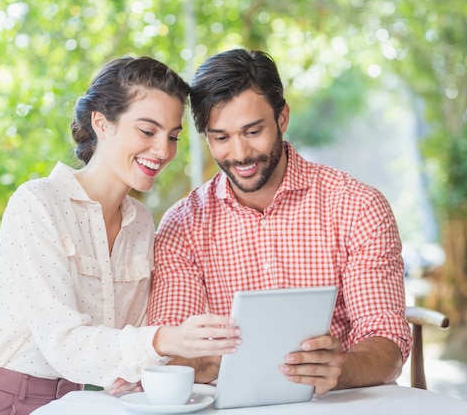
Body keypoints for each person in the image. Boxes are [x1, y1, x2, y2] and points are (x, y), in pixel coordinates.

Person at [0, 56, 241, 415]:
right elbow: (65, 343)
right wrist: (165, 339)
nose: (164, 150)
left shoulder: (141, 223)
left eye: (173, 136)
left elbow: (120, 346)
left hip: (82, 402)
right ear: (101, 123)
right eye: (148, 131)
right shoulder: (39, 202)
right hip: (4, 400)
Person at [147, 49, 412, 395]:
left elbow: (387, 342)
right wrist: (208, 361)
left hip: (340, 401)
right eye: (221, 138)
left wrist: (340, 369)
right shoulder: (182, 226)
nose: (240, 154)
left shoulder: (358, 206)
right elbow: (170, 352)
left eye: (253, 131)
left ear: (282, 118)